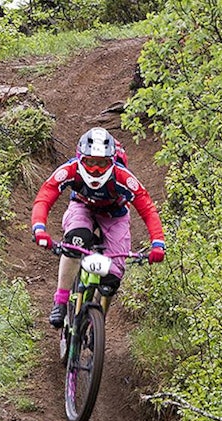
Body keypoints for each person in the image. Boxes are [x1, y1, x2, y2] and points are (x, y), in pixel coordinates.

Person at [30, 127, 166, 327]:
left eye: (102, 164)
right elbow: (45, 195)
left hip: (115, 216)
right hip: (82, 207)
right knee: (75, 241)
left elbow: (147, 207)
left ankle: (97, 320)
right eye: (90, 162)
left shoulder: (123, 177)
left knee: (112, 278)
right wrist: (39, 228)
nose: (95, 169)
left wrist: (158, 243)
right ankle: (60, 300)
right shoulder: (70, 170)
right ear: (80, 158)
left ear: (111, 162)